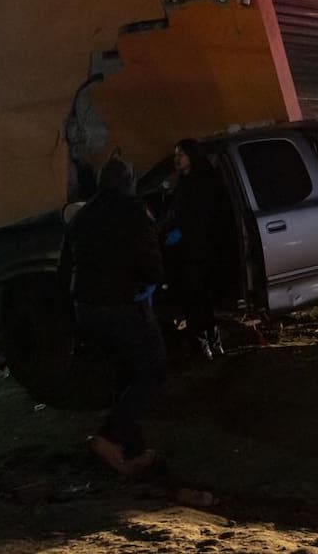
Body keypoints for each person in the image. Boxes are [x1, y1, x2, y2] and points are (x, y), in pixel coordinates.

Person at [57, 154, 165, 476]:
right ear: (128, 182)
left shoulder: (81, 215)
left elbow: (64, 268)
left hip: (86, 308)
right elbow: (150, 262)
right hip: (121, 305)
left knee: (124, 375)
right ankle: (108, 436)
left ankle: (131, 451)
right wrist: (150, 284)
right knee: (153, 369)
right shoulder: (134, 212)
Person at [160, 139, 236, 361]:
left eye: (181, 155)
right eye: (176, 155)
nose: (177, 159)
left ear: (192, 156)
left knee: (198, 299)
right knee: (197, 299)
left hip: (201, 251)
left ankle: (206, 346)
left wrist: (182, 232)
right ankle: (208, 345)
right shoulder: (184, 182)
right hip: (189, 251)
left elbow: (204, 217)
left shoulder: (203, 182)